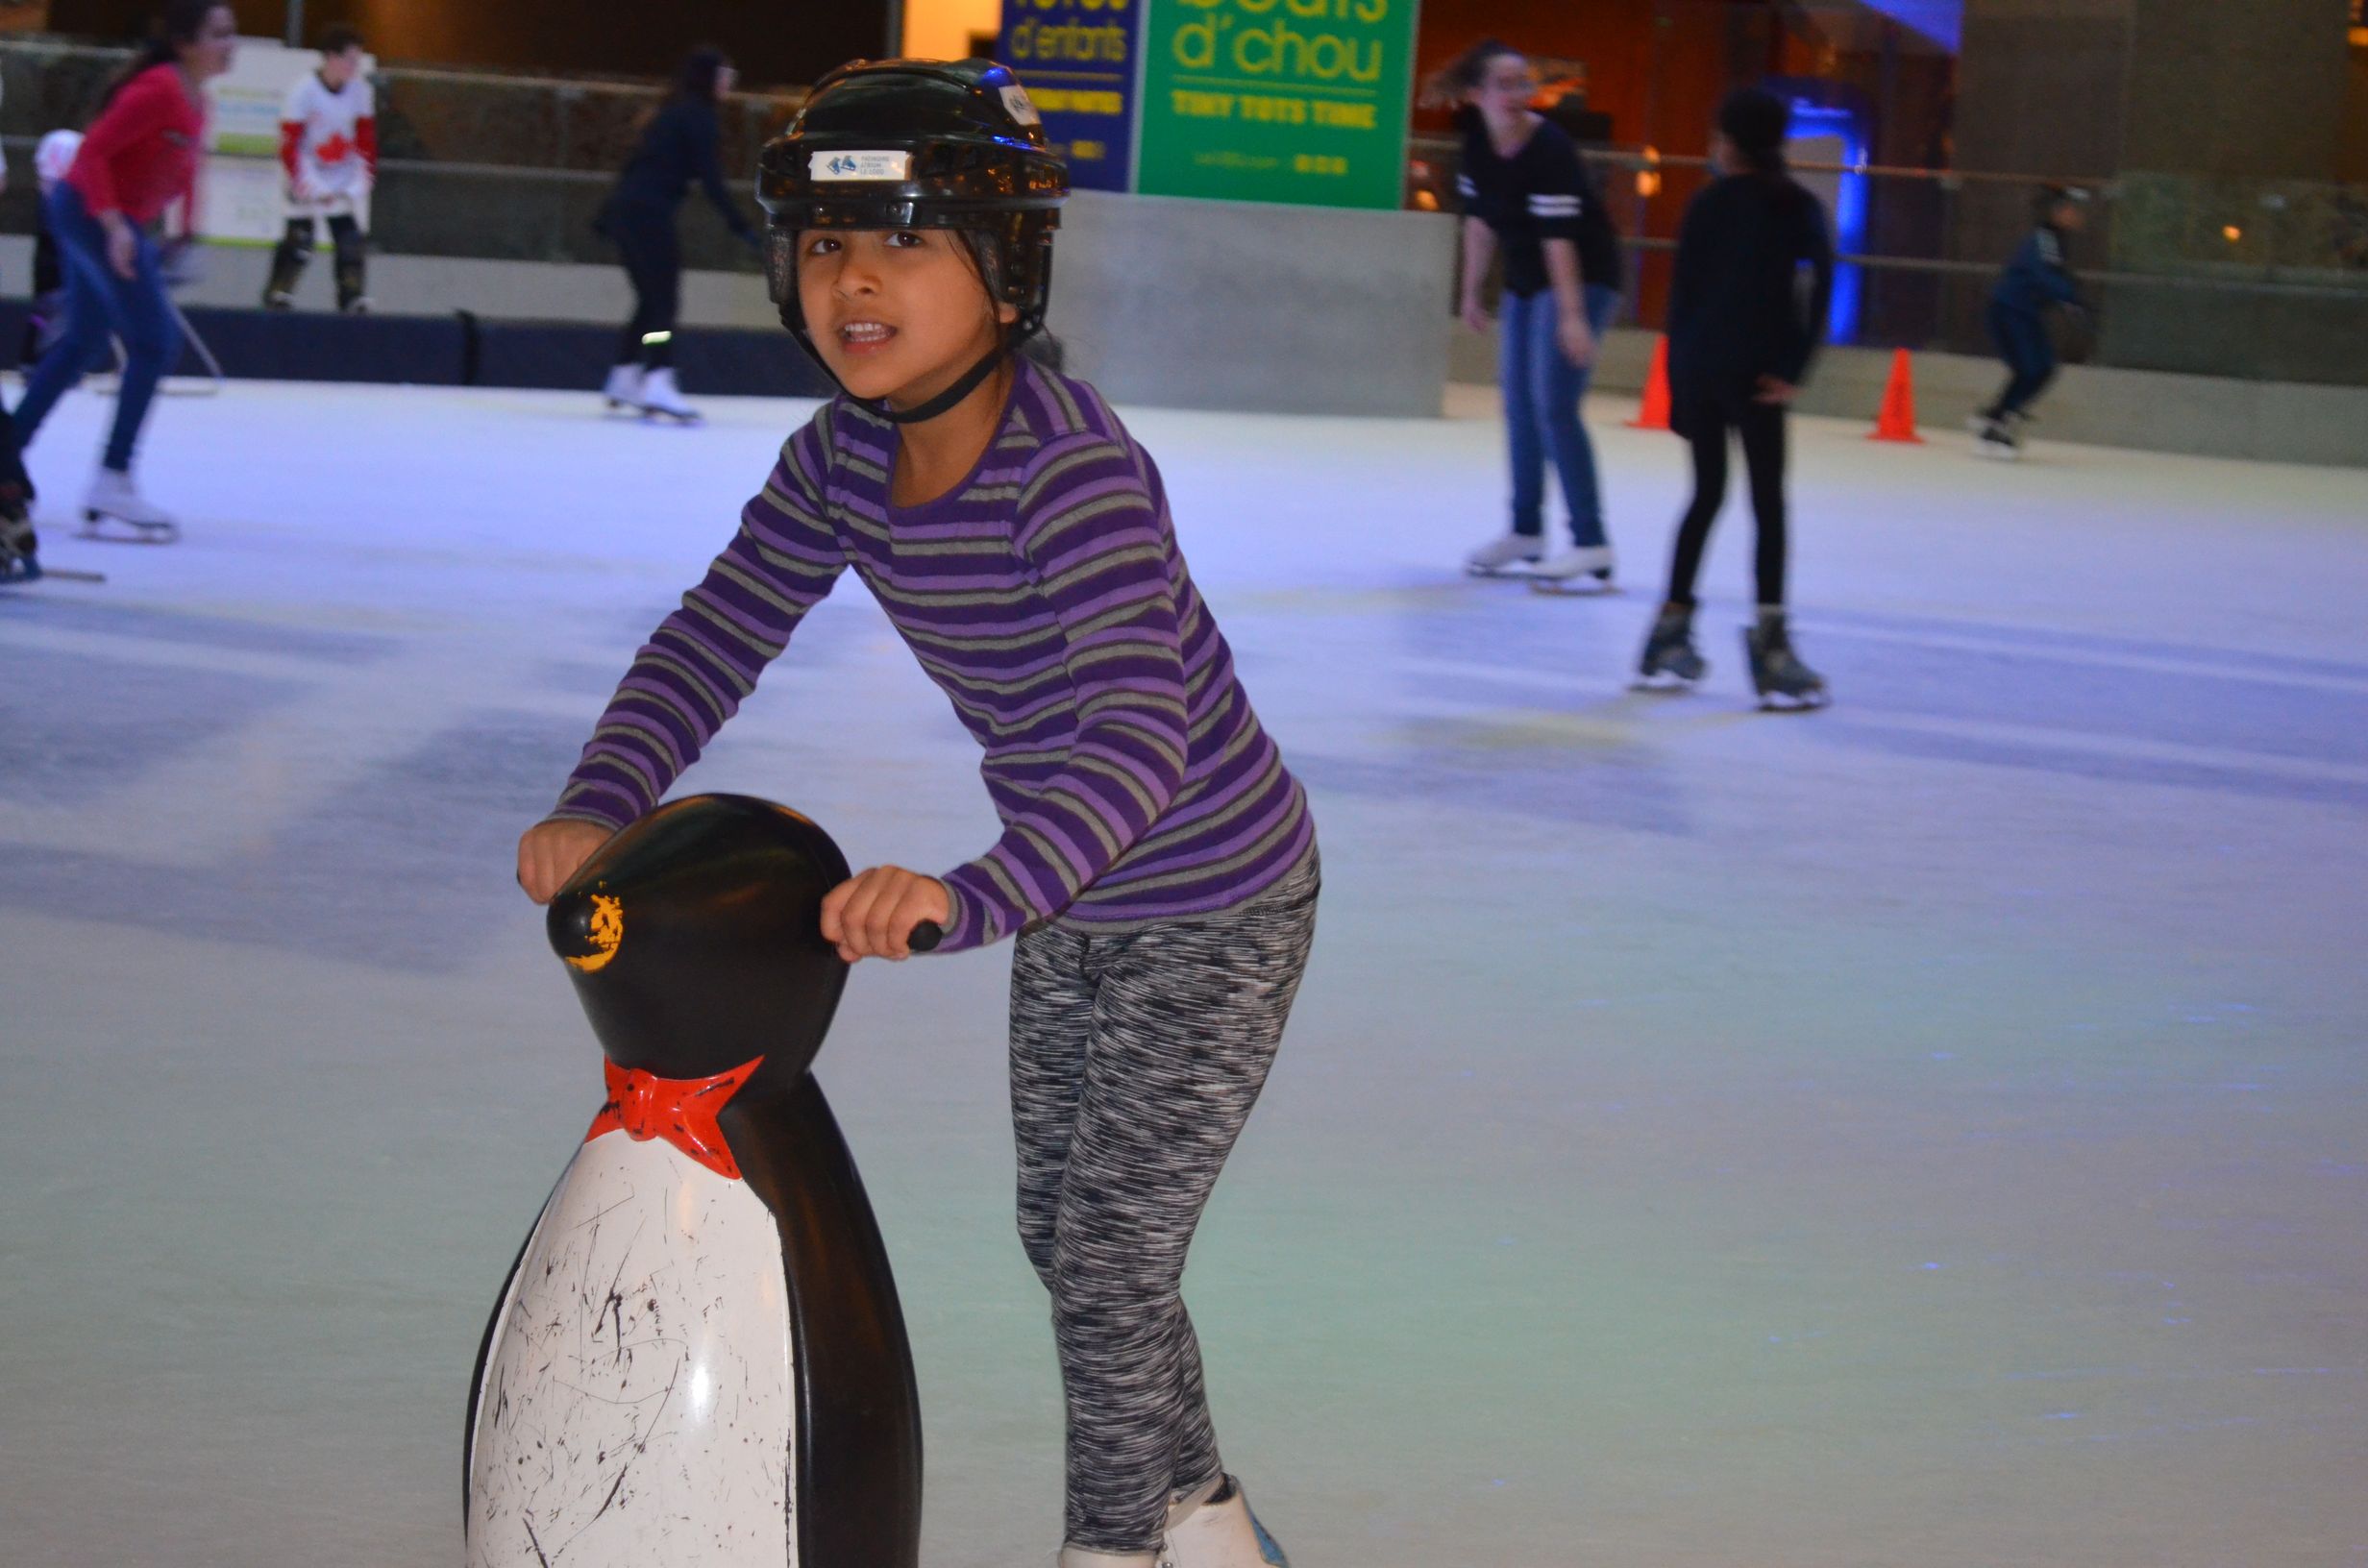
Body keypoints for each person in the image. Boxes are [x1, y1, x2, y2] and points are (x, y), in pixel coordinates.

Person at [515, 59, 1318, 1568]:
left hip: (1212, 897)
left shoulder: (1071, 472)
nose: (856, 280)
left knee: (1108, 1263)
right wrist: (604, 797)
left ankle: (1116, 1552)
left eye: (904, 241)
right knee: (1069, 1242)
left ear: (1005, 272)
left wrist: (976, 891)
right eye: (825, 244)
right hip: (1071, 893)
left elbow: (1139, 737)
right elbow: (716, 632)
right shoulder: (840, 461)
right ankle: (1202, 1518)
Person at [1635, 85, 1835, 709]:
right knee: (1767, 503)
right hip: (1757, 377)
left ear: (1729, 142)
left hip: (1704, 372)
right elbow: (1817, 290)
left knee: (1706, 495)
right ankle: (1771, 645)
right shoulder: (1795, 204)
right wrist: (1792, 367)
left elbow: (1682, 300)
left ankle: (1670, 627)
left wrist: (1678, 384)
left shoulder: (1706, 204)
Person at [7, 1, 236, 541]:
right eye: (218, 34)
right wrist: (113, 228)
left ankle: (5, 457)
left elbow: (188, 168)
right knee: (155, 342)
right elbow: (93, 154)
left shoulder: (196, 99)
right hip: (91, 211)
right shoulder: (158, 89)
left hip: (107, 216)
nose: (231, 44)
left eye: (232, 33)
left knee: (83, 343)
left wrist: (186, 230)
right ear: (185, 42)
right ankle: (113, 476)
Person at [1429, 37, 1625, 588]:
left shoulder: (1549, 148)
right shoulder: (1477, 145)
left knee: (1554, 405)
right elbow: (1479, 223)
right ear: (1476, 94)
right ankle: (1526, 531)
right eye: (1505, 85)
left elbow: (1560, 241)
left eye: (1524, 83)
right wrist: (1470, 293)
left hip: (1582, 278)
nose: (1519, 94)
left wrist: (1572, 317)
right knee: (1518, 405)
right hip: (1525, 282)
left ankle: (1590, 540)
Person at [594, 46, 759, 422]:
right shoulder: (698, 117)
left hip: (628, 213)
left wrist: (606, 215)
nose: (729, 83)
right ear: (709, 78)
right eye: (725, 75)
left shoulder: (671, 112)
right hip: (646, 215)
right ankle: (658, 377)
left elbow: (636, 164)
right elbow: (710, 178)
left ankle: (624, 375)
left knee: (650, 301)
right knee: (663, 303)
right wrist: (741, 224)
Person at [261, 24, 377, 314]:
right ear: (331, 58)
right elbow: (289, 146)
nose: (355, 67)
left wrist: (358, 182)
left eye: (358, 60)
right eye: (350, 59)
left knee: (350, 240)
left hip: (341, 173)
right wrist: (311, 186)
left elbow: (366, 141)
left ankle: (352, 298)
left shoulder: (361, 91)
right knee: (300, 239)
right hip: (305, 169)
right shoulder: (303, 91)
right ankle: (278, 293)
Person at [1971, 184, 2091, 459]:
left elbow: (2053, 276)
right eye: (2073, 210)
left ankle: (1997, 417)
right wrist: (2071, 299)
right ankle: (1997, 424)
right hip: (2012, 311)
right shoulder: (2045, 239)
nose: (2079, 216)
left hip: (2021, 312)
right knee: (2035, 367)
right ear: (2059, 212)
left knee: (2037, 368)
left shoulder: (2053, 240)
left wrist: (2072, 299)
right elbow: (2046, 275)